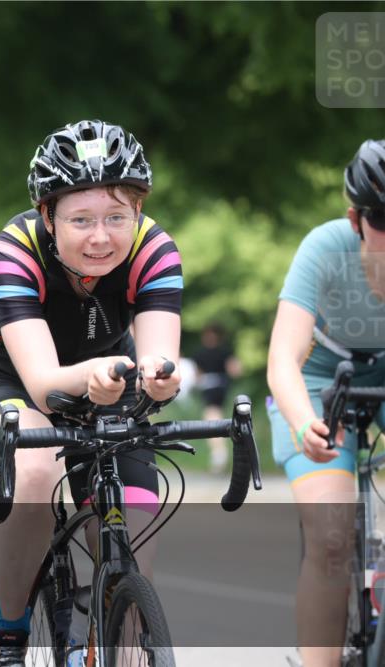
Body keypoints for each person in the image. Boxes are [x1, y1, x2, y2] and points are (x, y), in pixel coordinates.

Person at [0, 120, 182, 666]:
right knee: (34, 462)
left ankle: (116, 638)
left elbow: (159, 362)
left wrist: (162, 380)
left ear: (138, 213)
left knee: (137, 523)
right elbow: (43, 384)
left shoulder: (155, 250)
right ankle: (7, 633)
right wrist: (98, 375)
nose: (100, 237)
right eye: (80, 219)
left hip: (110, 381)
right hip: (2, 384)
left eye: (115, 217)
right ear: (48, 216)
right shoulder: (16, 246)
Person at [267, 138, 385, 667]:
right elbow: (282, 361)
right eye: (382, 220)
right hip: (319, 388)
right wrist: (304, 422)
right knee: (334, 534)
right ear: (355, 219)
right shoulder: (324, 248)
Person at [191, 323, 242, 473]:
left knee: (211, 416)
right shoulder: (225, 351)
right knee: (217, 413)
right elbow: (235, 370)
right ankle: (220, 449)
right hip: (222, 386)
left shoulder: (200, 353)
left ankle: (218, 451)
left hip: (210, 387)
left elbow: (196, 376)